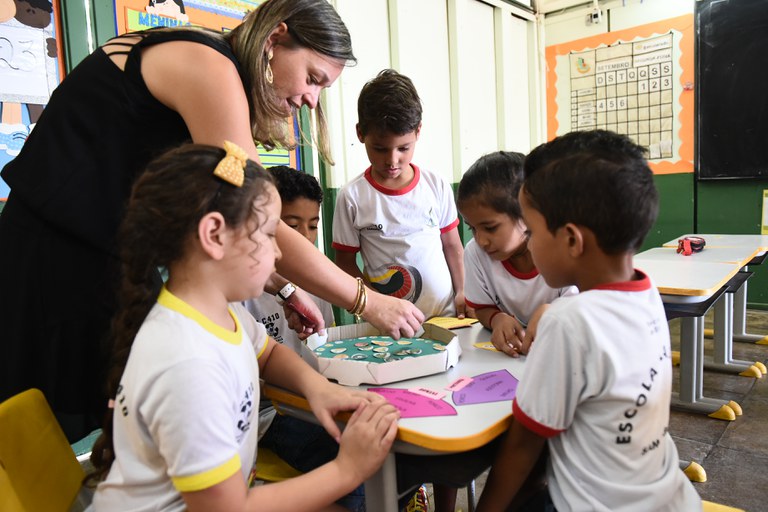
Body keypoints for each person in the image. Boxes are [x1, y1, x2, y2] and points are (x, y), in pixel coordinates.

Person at [0, 0, 423, 442]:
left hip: (103, 261)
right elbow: (259, 213)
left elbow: (242, 209)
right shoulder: (209, 65)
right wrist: (369, 302)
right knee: (31, 430)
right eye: (313, 77)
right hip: (53, 263)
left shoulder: (210, 64)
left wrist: (284, 286)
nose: (309, 99)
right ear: (275, 39)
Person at [88, 142, 400, 511]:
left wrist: (319, 389)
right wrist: (347, 469)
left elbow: (269, 354)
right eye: (270, 234)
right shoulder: (188, 363)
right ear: (215, 235)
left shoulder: (217, 312)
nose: (280, 252)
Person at [476, 130, 702, 511]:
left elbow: (523, 445)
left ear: (571, 241)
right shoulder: (645, 293)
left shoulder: (569, 322)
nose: (528, 244)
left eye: (531, 231)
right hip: (668, 498)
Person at [245, 165, 366, 509]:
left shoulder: (318, 283)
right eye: (289, 227)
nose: (302, 238)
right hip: (270, 416)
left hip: (309, 401)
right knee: (352, 460)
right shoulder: (241, 289)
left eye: (312, 225)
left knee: (380, 447)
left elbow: (321, 354)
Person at [332, 68, 466, 320]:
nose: (392, 160)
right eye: (380, 148)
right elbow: (346, 264)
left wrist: (463, 291)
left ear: (418, 132)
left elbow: (452, 245)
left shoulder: (435, 185)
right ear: (360, 133)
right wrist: (374, 305)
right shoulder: (352, 197)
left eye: (403, 148)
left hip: (446, 315)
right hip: (390, 324)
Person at [456, 151, 577, 358]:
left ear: (527, 215)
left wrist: (555, 312)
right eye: (473, 228)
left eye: (490, 227)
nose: (481, 240)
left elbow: (587, 307)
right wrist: (496, 319)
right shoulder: (475, 254)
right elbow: (482, 308)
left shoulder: (563, 249)